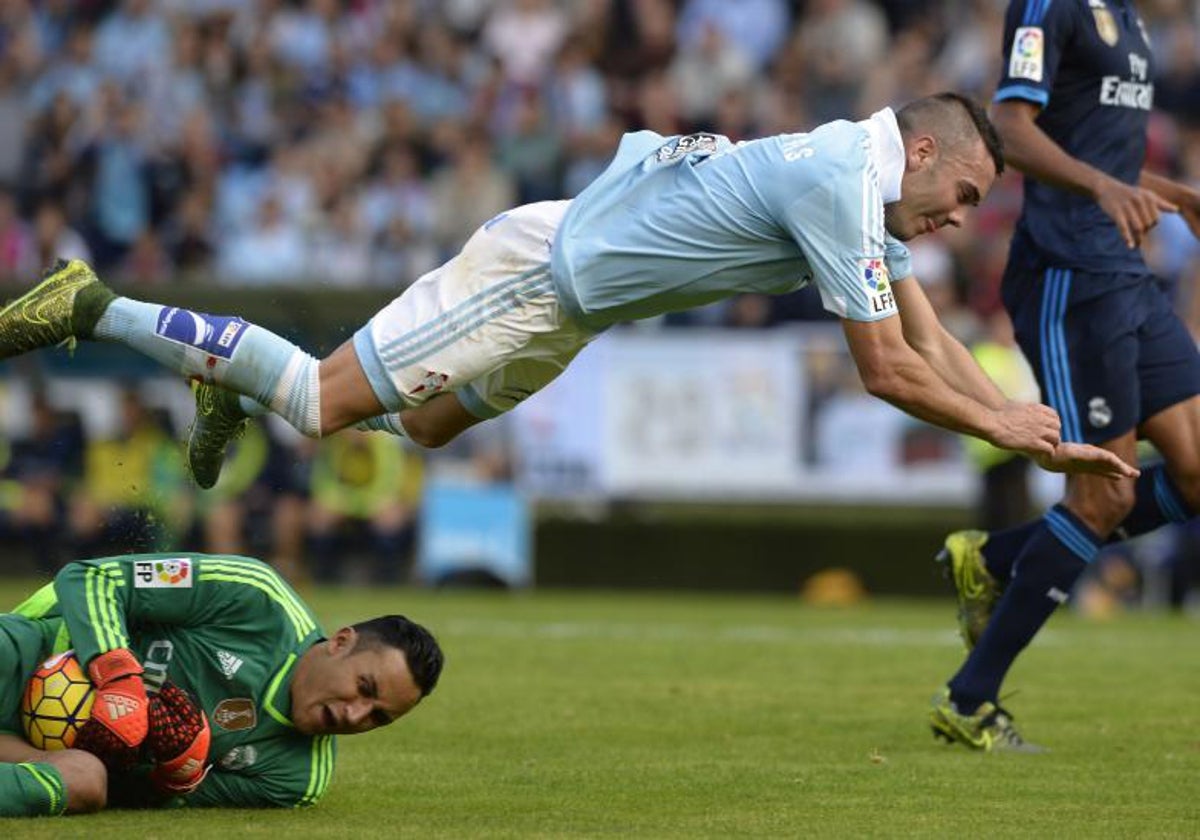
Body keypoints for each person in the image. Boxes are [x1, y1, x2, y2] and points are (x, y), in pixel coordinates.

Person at [0, 93, 1136, 491]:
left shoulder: (861, 176)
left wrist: (1014, 417)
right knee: (321, 402)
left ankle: (226, 383)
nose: (965, 221)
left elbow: (924, 325)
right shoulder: (842, 177)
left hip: (578, 307)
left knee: (433, 427)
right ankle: (92, 302)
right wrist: (1004, 427)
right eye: (971, 193)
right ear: (926, 154)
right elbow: (886, 367)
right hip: (543, 276)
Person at [928, 0, 1200, 752]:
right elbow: (1011, 129)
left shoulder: (1132, 20)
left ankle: (993, 558)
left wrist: (1168, 192)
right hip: (1068, 272)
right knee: (1104, 490)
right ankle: (969, 698)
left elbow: (1095, 152)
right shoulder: (1051, 6)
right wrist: (1105, 191)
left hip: (1125, 270)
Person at [0, 552, 444, 815]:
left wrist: (169, 779)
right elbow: (92, 577)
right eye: (364, 688)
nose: (355, 714)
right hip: (32, 658)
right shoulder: (256, 595)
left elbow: (134, 798)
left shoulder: (293, 780)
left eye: (378, 717)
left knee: (87, 784)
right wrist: (120, 677)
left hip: (38, 749)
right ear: (341, 642)